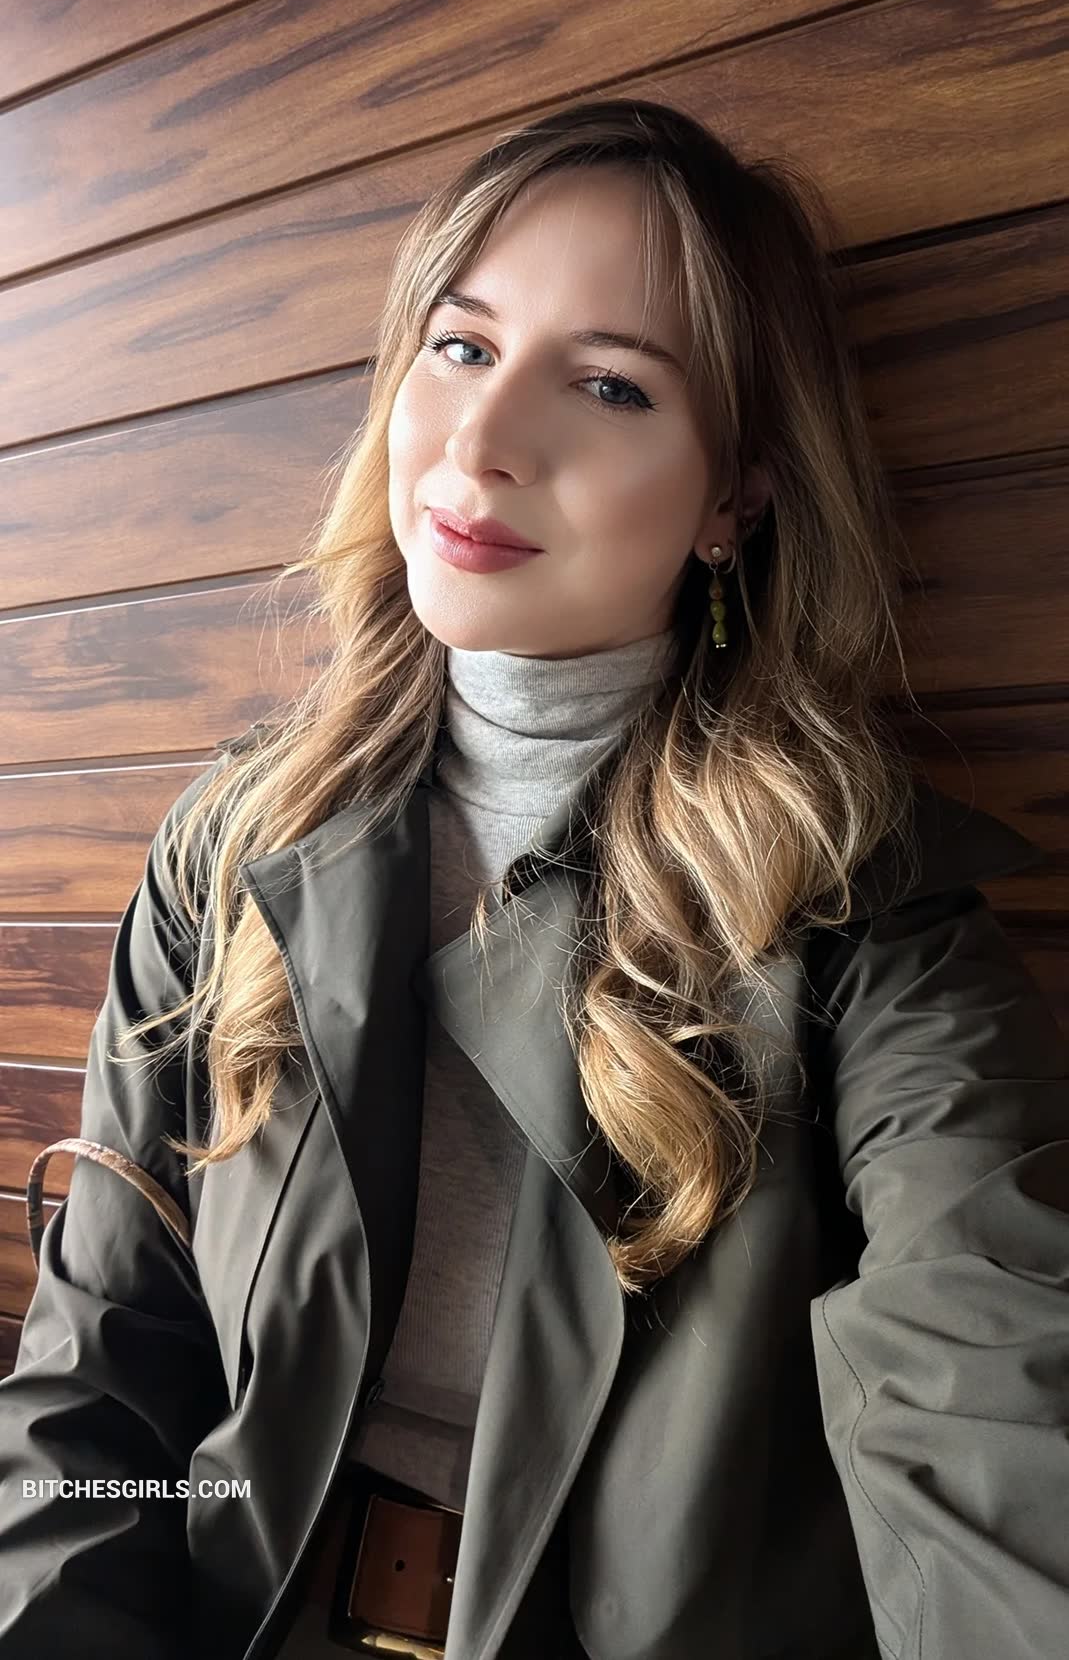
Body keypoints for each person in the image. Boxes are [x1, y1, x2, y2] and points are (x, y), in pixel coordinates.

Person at [0, 96, 1065, 1660]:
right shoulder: (230, 841)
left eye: (609, 383)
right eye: (460, 347)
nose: (483, 442)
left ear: (733, 498)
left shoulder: (861, 910)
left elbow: (989, 1387)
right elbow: (102, 1364)